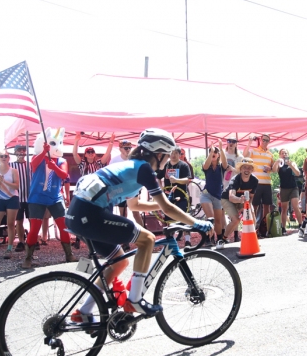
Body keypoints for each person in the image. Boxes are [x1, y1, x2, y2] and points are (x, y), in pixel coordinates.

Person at [66, 128, 214, 318]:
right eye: (167, 155)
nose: (168, 159)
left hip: (78, 215)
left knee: (119, 264)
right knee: (147, 239)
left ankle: (84, 311)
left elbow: (134, 205)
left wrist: (160, 204)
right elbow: (167, 209)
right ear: (159, 154)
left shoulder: (133, 167)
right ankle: (134, 300)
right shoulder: (144, 169)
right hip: (89, 215)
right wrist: (196, 222)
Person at [23, 128, 77, 269]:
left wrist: (54, 167)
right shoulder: (37, 157)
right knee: (34, 228)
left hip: (55, 197)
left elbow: (65, 176)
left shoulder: (62, 160)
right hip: (37, 198)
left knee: (64, 226)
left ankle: (69, 254)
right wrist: (43, 152)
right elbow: (33, 165)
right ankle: (28, 258)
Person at [0, 144, 31, 252]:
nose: (21, 152)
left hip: (30, 196)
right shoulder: (11, 165)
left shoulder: (30, 165)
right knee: (18, 221)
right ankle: (21, 241)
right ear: (15, 152)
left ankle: (33, 240)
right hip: (16, 196)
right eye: (19, 150)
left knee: (32, 219)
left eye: (23, 150)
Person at [158, 146, 193, 247]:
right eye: (171, 153)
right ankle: (171, 241)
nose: (173, 155)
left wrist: (177, 180)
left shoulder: (183, 165)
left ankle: (187, 241)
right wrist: (161, 189)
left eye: (175, 153)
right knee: (169, 219)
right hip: (168, 196)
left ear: (179, 154)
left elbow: (188, 179)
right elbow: (158, 178)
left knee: (184, 217)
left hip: (181, 196)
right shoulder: (165, 165)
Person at [244, 134, 275, 237]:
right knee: (254, 206)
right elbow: (245, 155)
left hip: (267, 183)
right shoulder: (254, 151)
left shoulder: (270, 154)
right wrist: (249, 142)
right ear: (260, 140)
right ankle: (253, 228)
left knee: (267, 206)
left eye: (267, 140)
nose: (265, 142)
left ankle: (264, 228)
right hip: (256, 183)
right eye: (264, 140)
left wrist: (269, 169)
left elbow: (273, 168)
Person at [221, 158, 258, 241]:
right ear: (240, 169)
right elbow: (231, 197)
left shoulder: (255, 181)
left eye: (249, 168)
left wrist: (246, 206)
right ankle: (223, 239)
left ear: (252, 170)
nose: (247, 170)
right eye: (245, 167)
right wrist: (240, 200)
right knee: (236, 220)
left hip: (244, 200)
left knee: (251, 214)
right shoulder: (235, 180)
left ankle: (252, 238)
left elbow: (251, 197)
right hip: (227, 199)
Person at [200, 140, 228, 248]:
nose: (214, 153)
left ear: (219, 155)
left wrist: (220, 149)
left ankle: (219, 239)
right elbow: (206, 166)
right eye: (212, 152)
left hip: (218, 196)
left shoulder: (221, 167)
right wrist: (211, 153)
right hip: (206, 195)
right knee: (210, 217)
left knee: (218, 219)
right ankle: (208, 239)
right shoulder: (206, 166)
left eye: (216, 152)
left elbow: (225, 163)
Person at [109, 139, 143, 227]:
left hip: (132, 189)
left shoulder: (134, 159)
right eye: (126, 148)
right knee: (122, 214)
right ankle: (124, 236)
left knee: (136, 213)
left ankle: (144, 233)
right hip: (120, 189)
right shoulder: (114, 160)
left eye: (129, 148)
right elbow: (110, 175)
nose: (128, 150)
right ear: (120, 149)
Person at [273, 148, 303, 235]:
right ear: (280, 155)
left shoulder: (292, 162)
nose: (284, 154)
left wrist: (291, 165)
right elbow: (274, 170)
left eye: (286, 153)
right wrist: (276, 162)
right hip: (284, 188)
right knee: (284, 208)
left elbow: (298, 173)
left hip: (293, 188)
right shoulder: (279, 164)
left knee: (295, 206)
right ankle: (283, 227)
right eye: (282, 153)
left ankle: (301, 226)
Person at [223, 138, 244, 242]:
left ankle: (236, 235)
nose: (230, 144)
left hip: (235, 188)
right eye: (229, 142)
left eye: (233, 142)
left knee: (235, 213)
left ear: (236, 144)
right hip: (223, 187)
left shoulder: (240, 157)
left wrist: (233, 169)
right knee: (222, 213)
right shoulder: (223, 155)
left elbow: (243, 173)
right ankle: (222, 235)